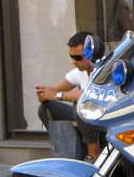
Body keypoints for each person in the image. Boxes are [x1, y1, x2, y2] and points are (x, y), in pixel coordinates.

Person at [34, 31, 102, 160]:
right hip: (89, 123)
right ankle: (68, 154)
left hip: (104, 122)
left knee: (81, 104)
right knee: (46, 107)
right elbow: (52, 90)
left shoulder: (103, 67)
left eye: (77, 57)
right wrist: (44, 94)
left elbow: (88, 94)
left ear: (90, 53)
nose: (73, 62)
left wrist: (57, 95)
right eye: (71, 57)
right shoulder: (80, 71)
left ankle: (93, 156)